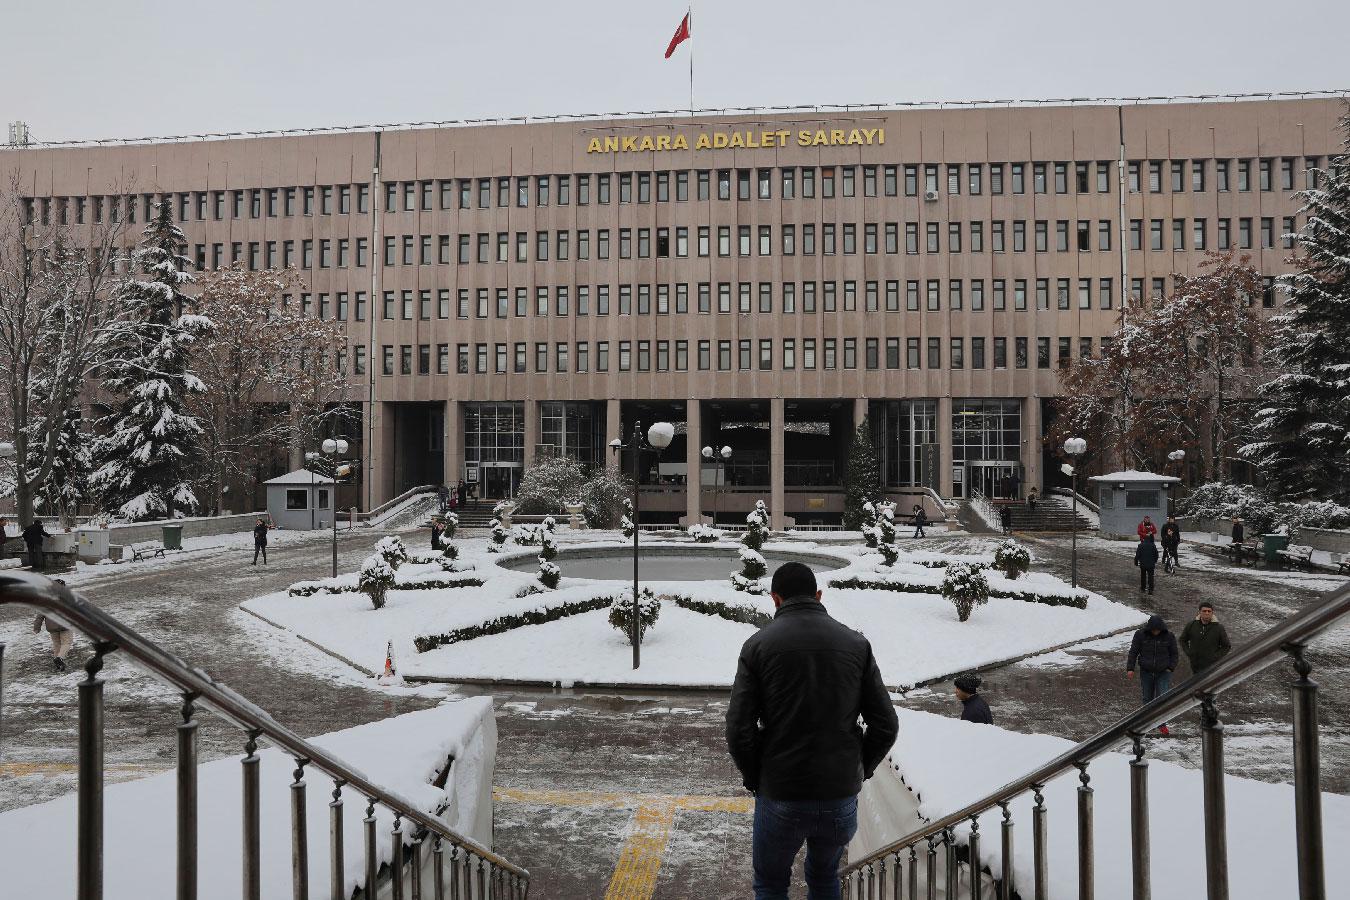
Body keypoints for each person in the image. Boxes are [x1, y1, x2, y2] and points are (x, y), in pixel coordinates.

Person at [726, 562, 899, 900]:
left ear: (775, 599)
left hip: (781, 791)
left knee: (771, 885)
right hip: (839, 794)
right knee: (824, 878)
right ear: (818, 596)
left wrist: (755, 777)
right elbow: (886, 724)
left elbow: (738, 729)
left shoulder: (758, 646)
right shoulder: (856, 644)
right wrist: (858, 769)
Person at [1126, 614, 1178, 735]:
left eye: (1158, 630)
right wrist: (1130, 668)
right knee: (1147, 698)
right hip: (1146, 671)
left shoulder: (1169, 636)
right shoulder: (1140, 635)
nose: (1155, 632)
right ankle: (1147, 722)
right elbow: (1133, 652)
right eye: (1153, 630)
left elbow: (1174, 654)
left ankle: (1162, 723)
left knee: (1162, 698)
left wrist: (1171, 667)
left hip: (1163, 672)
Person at [32, 578, 73, 672]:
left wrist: (36, 628)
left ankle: (58, 664)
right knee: (67, 642)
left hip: (51, 627)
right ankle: (60, 658)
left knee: (56, 644)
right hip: (64, 625)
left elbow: (40, 616)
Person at [1180, 602, 1232, 676]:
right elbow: (1182, 640)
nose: (1207, 613)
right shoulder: (1191, 625)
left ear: (1212, 613)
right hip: (1195, 664)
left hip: (1211, 666)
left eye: (1209, 611)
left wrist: (1215, 657)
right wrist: (1189, 652)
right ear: (1199, 612)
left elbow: (1226, 646)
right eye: (1204, 611)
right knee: (1196, 685)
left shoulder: (1218, 628)